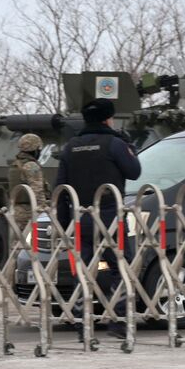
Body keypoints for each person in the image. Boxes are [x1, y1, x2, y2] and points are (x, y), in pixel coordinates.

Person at [56, 98, 142, 339]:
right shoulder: (114, 144)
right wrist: (129, 147)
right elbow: (134, 172)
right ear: (108, 119)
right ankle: (119, 320)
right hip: (110, 218)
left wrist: (64, 224)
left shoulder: (70, 147)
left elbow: (60, 189)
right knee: (120, 267)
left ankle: (81, 320)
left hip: (80, 219)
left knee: (83, 270)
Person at [8, 133, 50, 238]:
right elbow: (37, 191)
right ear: (35, 150)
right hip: (28, 211)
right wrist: (43, 211)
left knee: (16, 244)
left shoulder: (15, 165)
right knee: (30, 246)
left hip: (15, 210)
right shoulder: (31, 166)